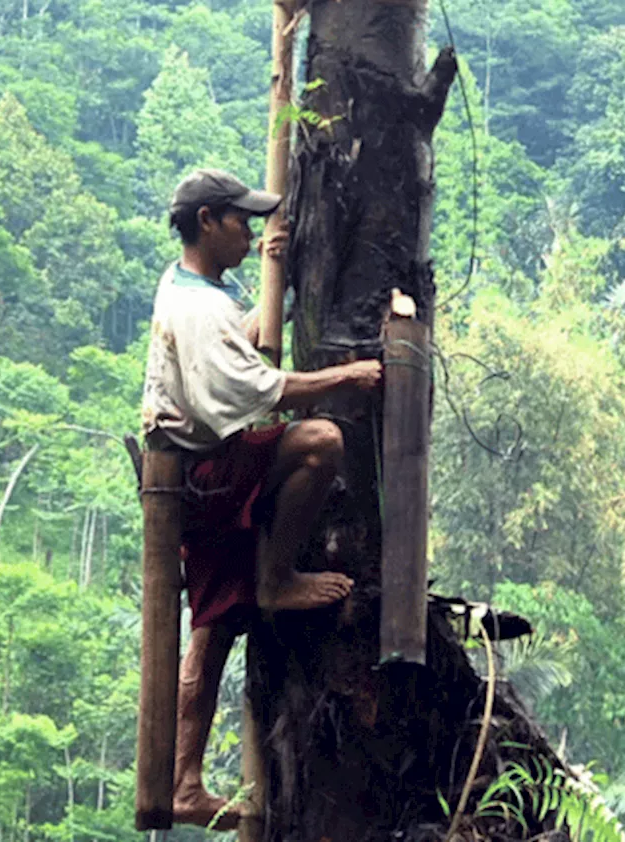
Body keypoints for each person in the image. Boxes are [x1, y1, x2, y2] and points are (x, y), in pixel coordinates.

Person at [141, 168, 382, 828]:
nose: (249, 231)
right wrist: (350, 375)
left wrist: (280, 289)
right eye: (241, 221)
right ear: (207, 222)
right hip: (208, 471)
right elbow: (259, 391)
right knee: (321, 442)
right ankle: (275, 577)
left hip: (186, 477)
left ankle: (186, 784)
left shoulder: (187, 286)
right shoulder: (196, 307)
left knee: (212, 630)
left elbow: (230, 353)